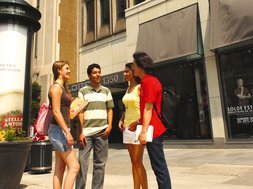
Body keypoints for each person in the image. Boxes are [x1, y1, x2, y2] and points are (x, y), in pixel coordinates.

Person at [132, 52, 172, 189]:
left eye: (134, 65)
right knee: (158, 167)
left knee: (159, 167)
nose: (132, 68)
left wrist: (143, 132)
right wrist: (137, 122)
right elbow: (145, 109)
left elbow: (149, 109)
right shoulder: (145, 82)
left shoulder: (150, 82)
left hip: (154, 131)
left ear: (141, 66)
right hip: (151, 129)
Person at [75, 63, 114, 189]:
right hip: (86, 133)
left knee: (100, 164)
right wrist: (81, 132)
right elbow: (80, 113)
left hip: (102, 132)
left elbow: (110, 109)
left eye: (99, 72)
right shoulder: (82, 91)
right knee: (82, 163)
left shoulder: (106, 91)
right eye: (94, 72)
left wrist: (109, 126)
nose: (98, 75)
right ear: (89, 75)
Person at [48, 60, 80, 189]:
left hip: (59, 130)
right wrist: (67, 132)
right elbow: (55, 111)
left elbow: (62, 110)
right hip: (59, 131)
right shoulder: (56, 88)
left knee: (60, 168)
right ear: (59, 71)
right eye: (66, 68)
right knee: (74, 166)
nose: (69, 71)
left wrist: (75, 109)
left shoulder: (62, 88)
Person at [118, 63, 148, 189]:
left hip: (137, 127)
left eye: (127, 71)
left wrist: (138, 122)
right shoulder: (127, 89)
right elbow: (127, 108)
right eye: (124, 72)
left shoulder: (140, 87)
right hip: (127, 128)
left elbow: (147, 108)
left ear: (133, 72)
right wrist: (121, 119)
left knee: (138, 161)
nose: (124, 74)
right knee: (133, 162)